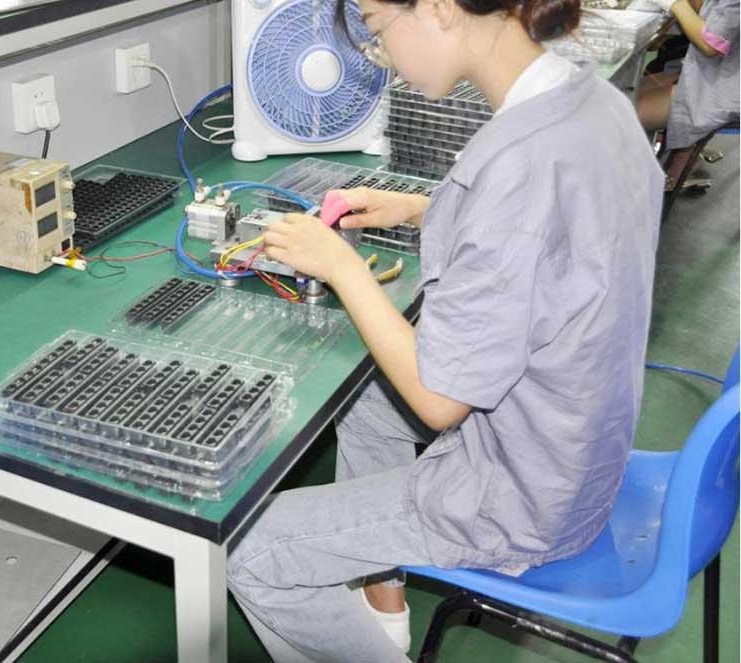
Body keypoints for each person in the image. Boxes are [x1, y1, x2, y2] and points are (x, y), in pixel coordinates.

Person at [225, 0, 665, 659]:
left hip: (520, 493)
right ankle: (384, 602)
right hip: (580, 445)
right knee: (366, 402)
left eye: (377, 30)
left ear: (436, 8)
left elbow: (438, 399)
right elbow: (547, 232)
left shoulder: (513, 162)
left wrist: (340, 267)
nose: (383, 57)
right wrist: (418, 208)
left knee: (250, 552)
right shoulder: (595, 103)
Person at [637, 0, 739, 180]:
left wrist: (676, 3)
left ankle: (676, 161)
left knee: (622, 109)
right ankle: (677, 155)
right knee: (625, 92)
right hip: (713, 72)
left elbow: (713, 44)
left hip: (724, 88)